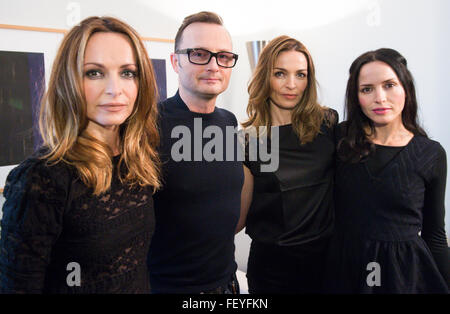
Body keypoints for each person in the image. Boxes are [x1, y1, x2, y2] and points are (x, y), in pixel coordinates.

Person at [0, 16, 161, 293]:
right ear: (69, 81)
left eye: (127, 73)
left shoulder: (136, 162)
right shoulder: (42, 178)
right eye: (94, 73)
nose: (115, 89)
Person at [325, 48, 449, 293]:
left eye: (389, 85)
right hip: (345, 271)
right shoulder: (339, 138)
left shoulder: (431, 154)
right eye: (367, 89)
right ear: (356, 96)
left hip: (406, 276)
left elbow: (435, 235)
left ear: (406, 88)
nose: (379, 98)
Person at [147, 11, 243, 293]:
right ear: (175, 61)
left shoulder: (229, 121)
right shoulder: (148, 126)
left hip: (227, 283)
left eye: (223, 56)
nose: (214, 65)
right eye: (199, 54)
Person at [237, 35, 338, 293]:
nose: (291, 85)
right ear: (264, 77)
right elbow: (237, 220)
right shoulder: (244, 141)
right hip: (273, 271)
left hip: (329, 263)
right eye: (280, 74)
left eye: (300, 75)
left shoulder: (328, 123)